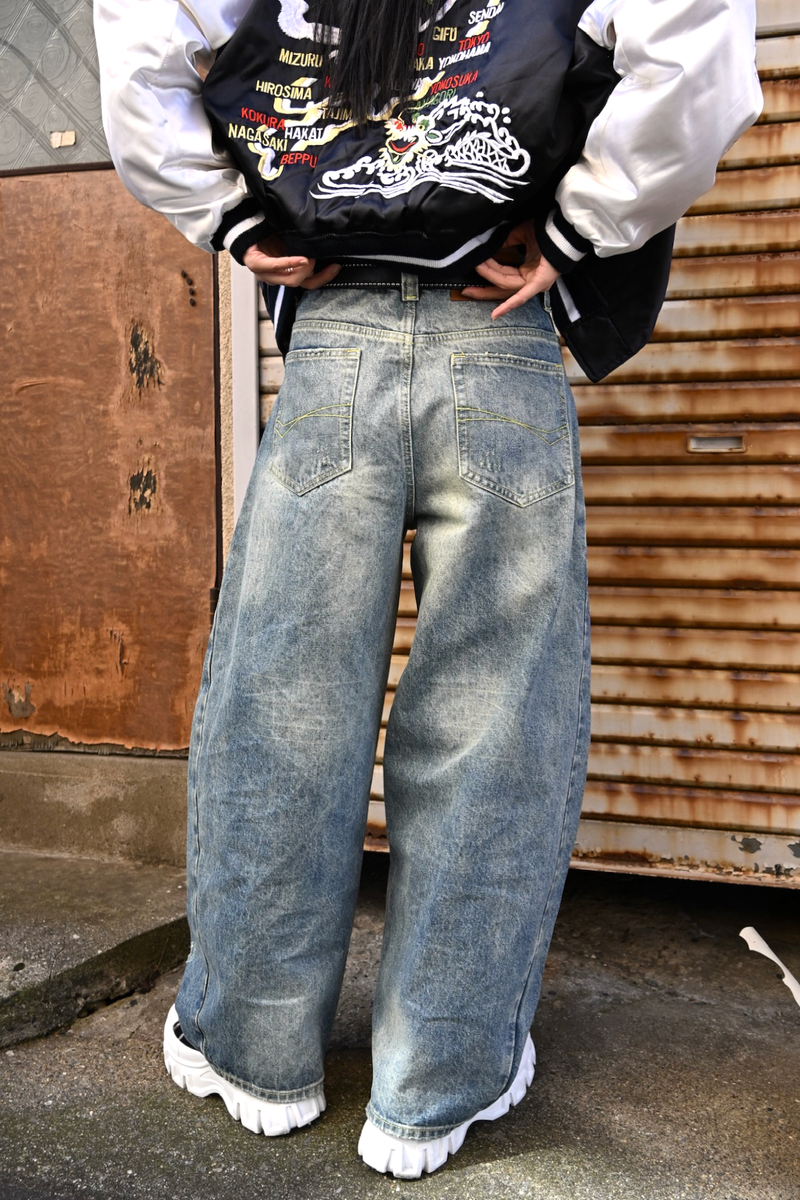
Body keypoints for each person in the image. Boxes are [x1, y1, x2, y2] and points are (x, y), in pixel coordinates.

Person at [94, 0, 760, 1179]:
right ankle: (435, 1079)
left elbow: (148, 40)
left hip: (335, 335)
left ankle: (253, 1051)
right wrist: (579, 227)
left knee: (282, 707)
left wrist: (228, 216)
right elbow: (690, 50)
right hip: (495, 324)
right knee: (495, 722)